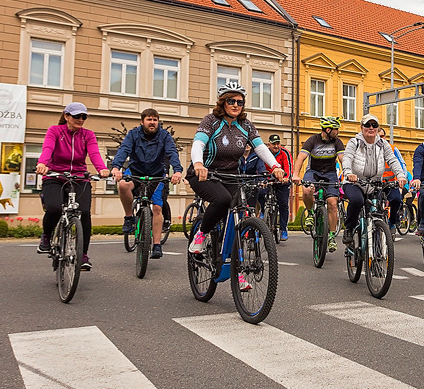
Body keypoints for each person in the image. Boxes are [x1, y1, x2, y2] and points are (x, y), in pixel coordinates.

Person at [187, 83, 286, 254]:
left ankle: (230, 255)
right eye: (231, 101)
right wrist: (198, 163)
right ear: (222, 103)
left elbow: (260, 148)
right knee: (222, 200)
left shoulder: (246, 125)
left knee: (241, 206)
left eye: (239, 102)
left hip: (230, 175)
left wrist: (275, 166)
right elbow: (198, 143)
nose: (235, 105)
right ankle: (201, 234)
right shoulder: (211, 121)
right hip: (205, 173)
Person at [35, 102, 110, 270]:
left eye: (84, 117)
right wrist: (42, 163)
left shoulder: (88, 135)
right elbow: (48, 148)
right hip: (55, 175)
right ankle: (47, 236)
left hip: (79, 177)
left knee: (84, 213)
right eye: (77, 116)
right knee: (54, 208)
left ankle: (83, 255)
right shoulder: (55, 131)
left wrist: (102, 169)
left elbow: (94, 153)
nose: (81, 120)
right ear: (67, 116)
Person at [111, 108, 183, 260]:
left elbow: (172, 152)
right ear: (142, 121)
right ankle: (129, 217)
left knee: (157, 207)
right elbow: (124, 150)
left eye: (155, 120)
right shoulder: (133, 134)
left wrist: (177, 170)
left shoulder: (164, 136)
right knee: (123, 185)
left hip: (157, 175)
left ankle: (156, 245)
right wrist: (116, 167)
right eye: (149, 119)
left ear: (158, 122)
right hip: (136, 172)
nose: (152, 123)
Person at [341, 114, 407, 246]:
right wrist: (348, 173)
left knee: (376, 212)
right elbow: (347, 157)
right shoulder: (354, 142)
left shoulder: (383, 144)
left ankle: (376, 246)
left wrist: (400, 175)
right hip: (355, 182)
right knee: (357, 201)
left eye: (374, 125)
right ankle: (349, 228)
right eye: (367, 125)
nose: (371, 128)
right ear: (362, 127)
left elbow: (392, 160)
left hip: (374, 184)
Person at [295, 117, 344, 252]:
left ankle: (332, 237)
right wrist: (295, 174)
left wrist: (347, 173)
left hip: (330, 174)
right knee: (306, 191)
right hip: (313, 172)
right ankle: (310, 214)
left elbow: (342, 158)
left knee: (333, 204)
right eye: (336, 129)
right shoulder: (313, 140)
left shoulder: (337, 142)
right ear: (328, 130)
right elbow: (301, 157)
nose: (338, 131)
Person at [262, 134, 293, 242]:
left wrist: (287, 178)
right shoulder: (265, 153)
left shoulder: (285, 153)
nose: (276, 146)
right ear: (269, 144)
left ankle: (283, 229)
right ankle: (263, 212)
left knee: (283, 204)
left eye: (278, 143)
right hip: (268, 180)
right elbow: (261, 167)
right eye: (273, 144)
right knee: (260, 193)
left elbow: (289, 167)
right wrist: (263, 179)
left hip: (282, 181)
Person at [380, 128, 410, 236]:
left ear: (385, 137)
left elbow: (402, 165)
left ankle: (392, 221)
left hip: (391, 183)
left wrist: (402, 178)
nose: (380, 138)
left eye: (382, 136)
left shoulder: (392, 149)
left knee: (397, 199)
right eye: (378, 136)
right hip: (376, 184)